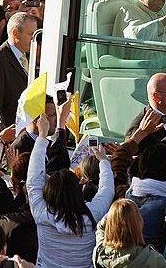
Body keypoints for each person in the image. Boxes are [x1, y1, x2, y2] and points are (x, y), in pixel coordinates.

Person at [27, 113, 114, 268]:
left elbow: (33, 180)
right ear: (77, 190)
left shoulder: (41, 212)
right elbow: (107, 191)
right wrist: (103, 161)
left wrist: (42, 136)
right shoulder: (92, 213)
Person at [93, 199, 166, 268]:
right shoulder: (151, 260)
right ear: (138, 223)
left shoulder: (101, 251)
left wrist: (116, 215)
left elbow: (100, 228)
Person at [0, 12, 38, 126]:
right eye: (31, 34)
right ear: (15, 33)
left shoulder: (29, 56)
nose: (35, 40)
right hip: (9, 131)